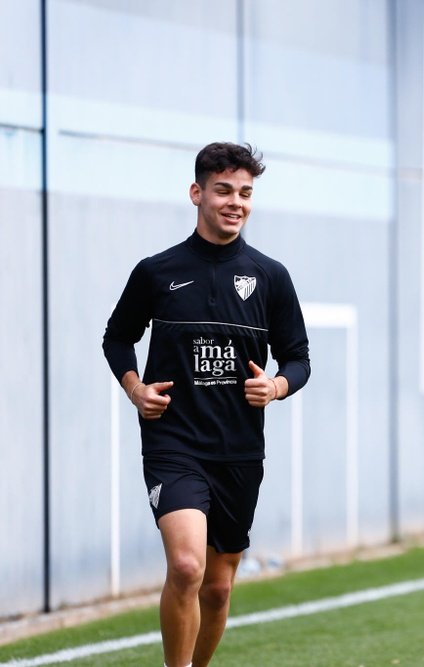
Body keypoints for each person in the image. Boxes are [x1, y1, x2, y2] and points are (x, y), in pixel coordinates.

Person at [103, 142, 310, 667]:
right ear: (197, 193)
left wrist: (278, 387)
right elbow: (117, 337)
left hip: (239, 450)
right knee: (189, 566)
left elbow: (298, 359)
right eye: (223, 190)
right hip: (174, 443)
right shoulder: (157, 271)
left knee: (217, 588)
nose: (235, 202)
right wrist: (135, 388)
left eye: (245, 193)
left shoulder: (271, 276)